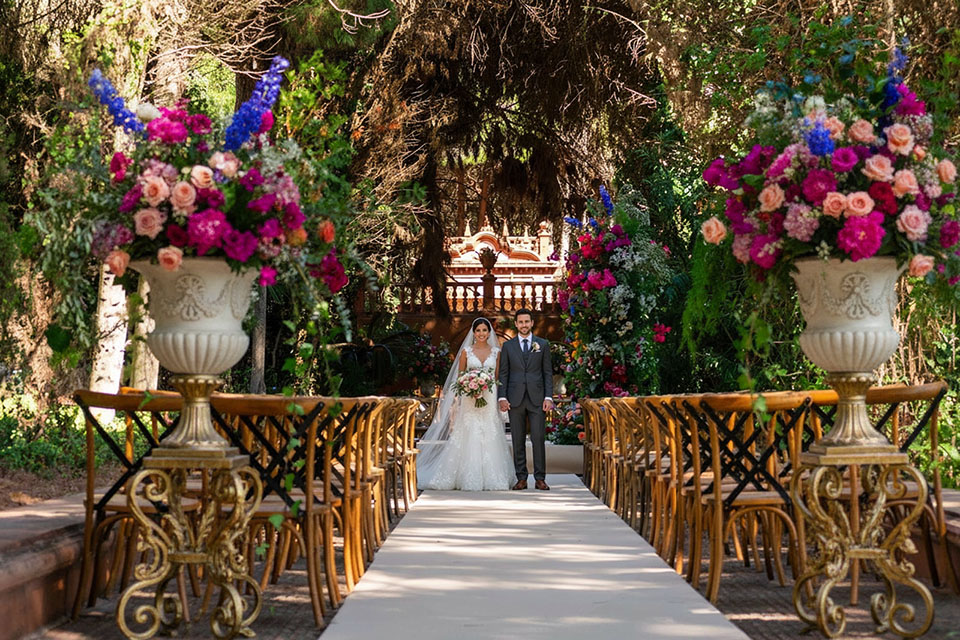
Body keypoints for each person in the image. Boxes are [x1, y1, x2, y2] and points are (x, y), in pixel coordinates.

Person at [416, 317, 515, 491]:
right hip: (470, 398)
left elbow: (498, 378)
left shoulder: (496, 352)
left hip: (489, 398)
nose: (481, 334)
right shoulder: (466, 352)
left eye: (485, 330)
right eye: (478, 330)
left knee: (490, 431)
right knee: (469, 432)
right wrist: (471, 387)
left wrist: (494, 393)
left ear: (489, 332)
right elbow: (460, 376)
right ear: (474, 333)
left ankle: (493, 477)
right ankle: (466, 476)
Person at [498, 308, 554, 490]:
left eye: (527, 322)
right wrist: (502, 397)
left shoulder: (542, 344)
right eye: (520, 322)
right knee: (517, 439)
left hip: (537, 398)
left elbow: (547, 373)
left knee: (538, 438)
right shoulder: (508, 346)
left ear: (532, 323)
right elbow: (503, 373)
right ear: (516, 324)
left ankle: (540, 478)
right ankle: (521, 478)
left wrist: (548, 397)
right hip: (515, 398)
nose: (524, 325)